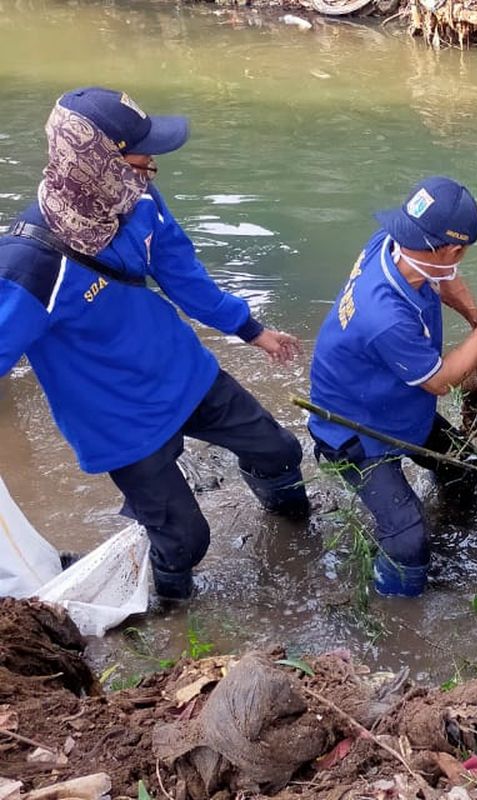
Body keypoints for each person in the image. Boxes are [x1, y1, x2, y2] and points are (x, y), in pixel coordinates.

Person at [0, 87, 309, 601]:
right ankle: (169, 613)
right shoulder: (29, 265)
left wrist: (252, 330)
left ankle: (297, 535)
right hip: (121, 424)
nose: (151, 162)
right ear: (97, 163)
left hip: (185, 373)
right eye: (141, 152)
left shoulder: (135, 196)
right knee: (187, 540)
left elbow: (183, 275)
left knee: (279, 450)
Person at [307, 176, 477, 598]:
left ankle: (447, 513)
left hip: (393, 401)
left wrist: (473, 316)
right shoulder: (386, 315)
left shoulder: (398, 244)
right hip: (356, 429)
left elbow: (443, 277)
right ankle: (397, 602)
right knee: (409, 544)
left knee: (466, 470)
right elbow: (439, 381)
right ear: (453, 249)